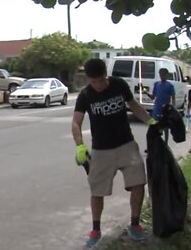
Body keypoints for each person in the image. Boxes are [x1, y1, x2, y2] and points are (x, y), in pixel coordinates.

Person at [72, 59, 157, 247]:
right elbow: (76, 122)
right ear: (88, 79)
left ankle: (135, 224)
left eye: (101, 80)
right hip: (101, 150)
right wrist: (80, 145)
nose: (98, 85)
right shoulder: (85, 95)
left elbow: (133, 105)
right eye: (94, 82)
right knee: (97, 191)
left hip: (126, 144)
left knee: (138, 183)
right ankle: (96, 228)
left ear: (106, 75)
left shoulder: (118, 84)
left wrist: (150, 122)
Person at [143, 68, 176, 143]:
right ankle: (154, 144)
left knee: (165, 128)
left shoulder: (170, 86)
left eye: (164, 75)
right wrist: (146, 93)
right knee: (154, 127)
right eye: (161, 74)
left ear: (166, 75)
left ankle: (166, 143)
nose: (162, 76)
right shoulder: (156, 84)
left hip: (165, 110)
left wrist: (173, 108)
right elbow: (153, 97)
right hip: (157, 109)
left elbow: (173, 97)